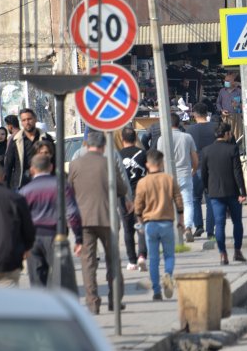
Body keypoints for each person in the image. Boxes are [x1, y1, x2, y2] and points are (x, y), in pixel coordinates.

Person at [68, 131, 129, 314]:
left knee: (88, 264)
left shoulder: (75, 164)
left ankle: (92, 303)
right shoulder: (107, 163)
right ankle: (115, 301)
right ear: (103, 146)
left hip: (84, 220)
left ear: (86, 145)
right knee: (113, 261)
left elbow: (69, 190)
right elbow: (122, 188)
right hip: (107, 218)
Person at [19, 154, 82, 293]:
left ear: (32, 169)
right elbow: (72, 213)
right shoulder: (61, 186)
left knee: (37, 279)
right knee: (59, 277)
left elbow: (19, 219)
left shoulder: (25, 190)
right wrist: (79, 237)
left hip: (33, 239)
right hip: (55, 236)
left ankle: (41, 309)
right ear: (51, 167)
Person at [134, 149, 185, 301]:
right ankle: (168, 275)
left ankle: (156, 291)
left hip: (150, 224)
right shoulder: (168, 179)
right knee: (169, 255)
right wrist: (181, 220)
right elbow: (178, 199)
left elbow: (138, 205)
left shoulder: (142, 183)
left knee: (154, 259)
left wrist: (139, 221)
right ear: (161, 163)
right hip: (167, 223)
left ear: (147, 165)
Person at [201, 122, 247, 266]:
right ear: (226, 134)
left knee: (219, 224)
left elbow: (204, 174)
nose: (231, 135)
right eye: (230, 133)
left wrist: (207, 189)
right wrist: (242, 192)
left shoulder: (206, 151)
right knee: (237, 222)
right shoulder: (232, 149)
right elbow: (237, 172)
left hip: (215, 193)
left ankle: (223, 254)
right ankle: (237, 251)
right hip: (232, 192)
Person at [157, 113, 199, 242]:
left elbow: (159, 159)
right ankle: (187, 228)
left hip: (167, 175)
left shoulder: (161, 139)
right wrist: (194, 170)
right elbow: (195, 158)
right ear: (179, 123)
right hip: (185, 173)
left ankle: (169, 231)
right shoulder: (187, 137)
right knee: (187, 202)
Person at [185, 103, 216, 239]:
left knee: (195, 198)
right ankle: (210, 230)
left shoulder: (189, 130)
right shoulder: (215, 127)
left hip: (196, 168)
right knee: (210, 200)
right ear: (207, 113)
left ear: (194, 114)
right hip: (212, 168)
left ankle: (198, 226)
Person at [120, 127, 148, 271]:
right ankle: (142, 255)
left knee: (128, 229)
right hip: (141, 194)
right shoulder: (143, 154)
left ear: (122, 138)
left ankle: (132, 260)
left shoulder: (117, 155)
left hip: (124, 196)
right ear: (135, 137)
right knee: (141, 225)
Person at [4, 108, 54, 189]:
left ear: (35, 119)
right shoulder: (16, 141)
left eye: (29, 119)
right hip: (22, 184)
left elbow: (55, 161)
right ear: (21, 122)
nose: (27, 122)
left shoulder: (46, 139)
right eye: (24, 120)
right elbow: (8, 165)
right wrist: (6, 187)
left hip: (43, 184)